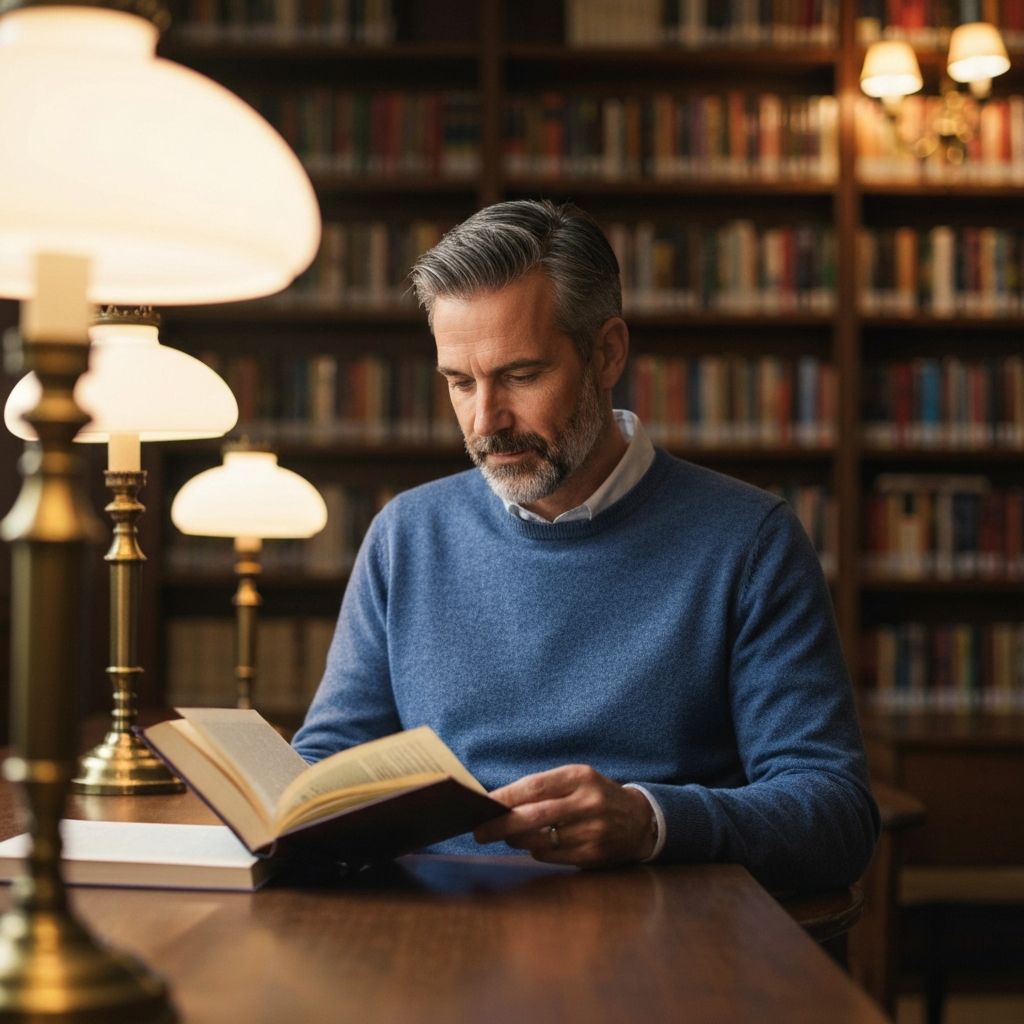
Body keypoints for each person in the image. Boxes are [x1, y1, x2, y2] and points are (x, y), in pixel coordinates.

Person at [291, 199, 879, 891]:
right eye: (459, 382)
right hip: (437, 936)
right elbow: (329, 761)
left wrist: (650, 821)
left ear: (606, 354)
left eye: (520, 375)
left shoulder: (748, 542)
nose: (487, 421)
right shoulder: (406, 535)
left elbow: (836, 817)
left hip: (659, 937)